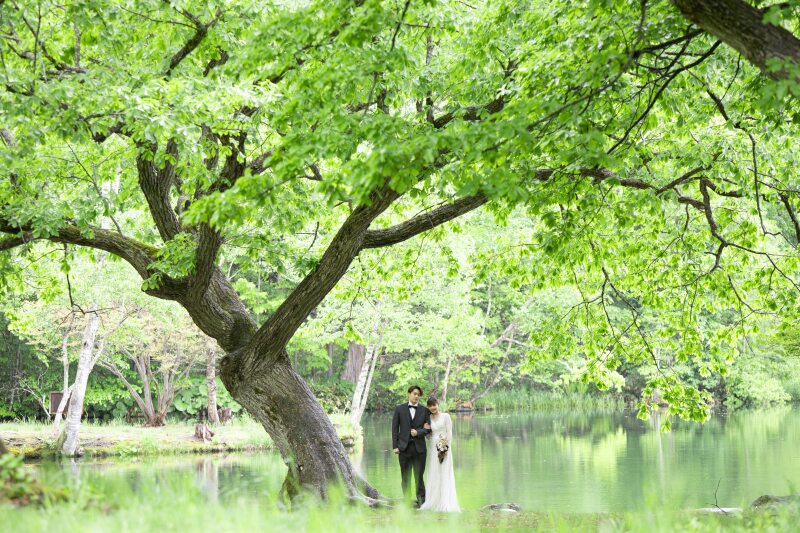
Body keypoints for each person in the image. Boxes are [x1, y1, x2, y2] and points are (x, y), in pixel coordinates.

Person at [392, 385, 431, 507]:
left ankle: (422, 503)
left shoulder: (424, 410)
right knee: (405, 477)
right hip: (404, 448)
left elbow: (429, 429)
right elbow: (394, 429)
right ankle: (407, 502)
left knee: (419, 477)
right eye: (414, 393)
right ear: (409, 394)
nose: (416, 396)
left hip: (420, 450)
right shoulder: (399, 409)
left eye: (418, 395)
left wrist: (418, 432)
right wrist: (395, 446)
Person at [419, 397, 460, 512]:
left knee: (444, 472)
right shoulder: (429, 419)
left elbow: (449, 432)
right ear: (428, 407)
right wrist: (425, 429)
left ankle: (445, 501)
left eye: (434, 405)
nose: (433, 407)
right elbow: (428, 437)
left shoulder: (446, 416)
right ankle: (433, 501)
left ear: (438, 404)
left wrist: (446, 447)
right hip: (433, 447)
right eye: (430, 406)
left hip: (444, 447)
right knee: (434, 472)